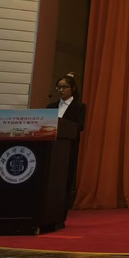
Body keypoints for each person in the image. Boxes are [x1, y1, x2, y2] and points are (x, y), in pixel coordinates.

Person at [47, 75, 86, 212]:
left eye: (65, 87)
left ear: (73, 88)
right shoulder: (51, 106)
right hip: (51, 145)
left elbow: (79, 126)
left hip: (68, 146)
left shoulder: (79, 107)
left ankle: (62, 205)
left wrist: (63, 126)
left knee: (66, 175)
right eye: (59, 87)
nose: (61, 90)